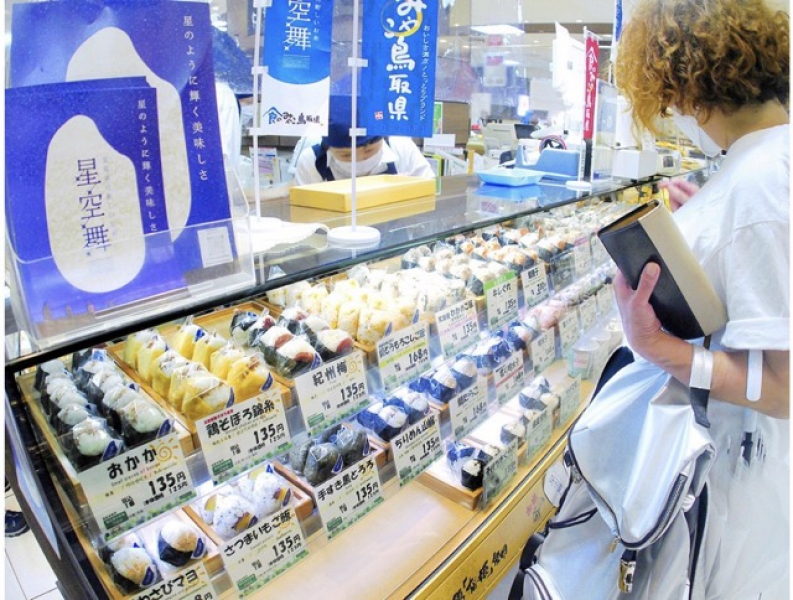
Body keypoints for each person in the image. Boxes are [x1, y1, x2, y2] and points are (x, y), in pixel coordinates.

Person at [613, 0, 789, 597]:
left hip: (736, 475)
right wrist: (708, 232)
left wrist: (659, 347)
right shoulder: (768, 161)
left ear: (687, 84)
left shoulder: (758, 184)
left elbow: (784, 388)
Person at [293, 95, 435, 185]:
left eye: (369, 150)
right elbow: (306, 218)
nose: (359, 160)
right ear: (327, 147)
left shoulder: (401, 147)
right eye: (346, 155)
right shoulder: (310, 162)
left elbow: (430, 191)